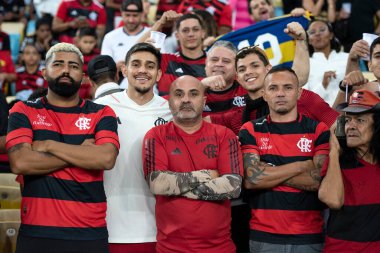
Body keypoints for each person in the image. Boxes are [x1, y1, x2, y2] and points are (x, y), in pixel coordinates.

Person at [6, 42, 120, 253]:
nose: (66, 70)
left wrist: (47, 145)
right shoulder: (23, 110)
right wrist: (81, 150)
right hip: (36, 232)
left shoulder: (102, 113)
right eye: (58, 64)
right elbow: (21, 162)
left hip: (89, 232)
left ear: (84, 76)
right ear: (44, 71)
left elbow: (105, 158)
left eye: (74, 66)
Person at [143, 75, 243, 253]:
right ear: (169, 101)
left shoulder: (224, 135)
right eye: (179, 94)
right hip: (170, 248)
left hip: (220, 248)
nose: (186, 100)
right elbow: (157, 183)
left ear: (204, 100)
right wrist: (209, 175)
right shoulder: (155, 135)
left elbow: (232, 187)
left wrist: (176, 188)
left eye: (193, 94)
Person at [239, 67, 330, 253]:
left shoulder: (319, 130)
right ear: (264, 94)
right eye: (273, 88)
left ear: (299, 92)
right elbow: (252, 179)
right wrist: (301, 166)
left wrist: (270, 171)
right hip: (264, 236)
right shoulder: (250, 129)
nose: (280, 93)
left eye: (288, 87)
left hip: (309, 236)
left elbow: (318, 182)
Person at [95, 42, 172, 253]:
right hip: (109, 222)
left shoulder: (171, 111)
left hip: (161, 226)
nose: (142, 71)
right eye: (136, 64)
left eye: (150, 66)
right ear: (124, 70)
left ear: (158, 74)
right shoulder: (102, 107)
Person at [209, 44, 339, 135]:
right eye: (242, 69)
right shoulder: (237, 113)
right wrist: (203, 85)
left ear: (268, 69)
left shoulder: (302, 97)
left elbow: (338, 128)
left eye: (255, 66)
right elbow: (193, 123)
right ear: (237, 77)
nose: (248, 72)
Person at [318, 89, 380, 252]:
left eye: (360, 120)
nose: (350, 126)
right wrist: (333, 152)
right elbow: (332, 200)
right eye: (347, 120)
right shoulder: (337, 161)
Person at [138, 11, 208, 95]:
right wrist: (160, 23)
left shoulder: (214, 62)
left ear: (203, 33)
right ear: (177, 36)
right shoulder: (166, 60)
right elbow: (134, 53)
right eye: (185, 30)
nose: (191, 34)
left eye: (195, 29)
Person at [101, 0, 150, 89]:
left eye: (135, 15)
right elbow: (104, 66)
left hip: (146, 82)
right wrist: (115, 66)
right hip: (117, 83)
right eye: (127, 15)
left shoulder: (151, 34)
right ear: (121, 13)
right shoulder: (110, 36)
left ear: (142, 14)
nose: (131, 20)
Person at [304, 20, 349, 106]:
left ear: (331, 35)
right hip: (319, 115)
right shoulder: (306, 64)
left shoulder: (347, 57)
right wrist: (323, 85)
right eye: (312, 32)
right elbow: (304, 100)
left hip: (348, 113)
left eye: (322, 30)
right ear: (309, 40)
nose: (317, 34)